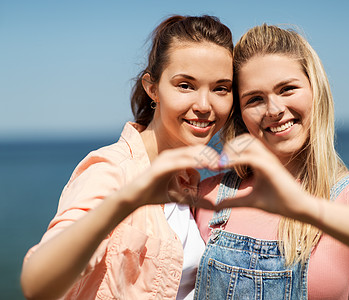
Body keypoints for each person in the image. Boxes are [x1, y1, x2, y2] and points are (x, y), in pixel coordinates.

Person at [193, 24, 349, 299]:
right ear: (240, 114)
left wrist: (304, 206)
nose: (274, 110)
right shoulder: (207, 195)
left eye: (287, 89)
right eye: (255, 99)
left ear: (315, 90)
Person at [20, 15, 233, 300]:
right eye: (185, 85)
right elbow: (38, 284)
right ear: (152, 88)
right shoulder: (112, 169)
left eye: (220, 88)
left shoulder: (189, 182)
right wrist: (127, 199)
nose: (205, 105)